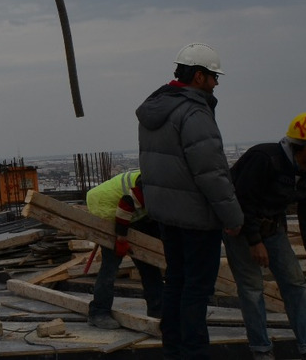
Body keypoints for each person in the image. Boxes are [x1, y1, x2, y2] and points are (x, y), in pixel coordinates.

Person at [137, 43, 243, 360]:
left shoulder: (156, 109)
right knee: (196, 289)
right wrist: (233, 216)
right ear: (198, 76)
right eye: (213, 76)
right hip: (197, 218)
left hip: (166, 216)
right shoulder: (194, 112)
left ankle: (173, 350)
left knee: (175, 282)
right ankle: (194, 353)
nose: (216, 83)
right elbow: (211, 172)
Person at [224, 113, 306, 360]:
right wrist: (255, 242)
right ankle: (261, 351)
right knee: (252, 289)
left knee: (296, 286)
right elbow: (243, 201)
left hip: (273, 228)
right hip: (241, 230)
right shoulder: (264, 159)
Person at [84, 170, 163, 328]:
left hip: (131, 212)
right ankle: (98, 312)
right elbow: (126, 204)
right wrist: (121, 239)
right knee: (110, 266)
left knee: (149, 266)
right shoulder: (152, 184)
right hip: (106, 206)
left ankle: (158, 312)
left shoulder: (168, 186)